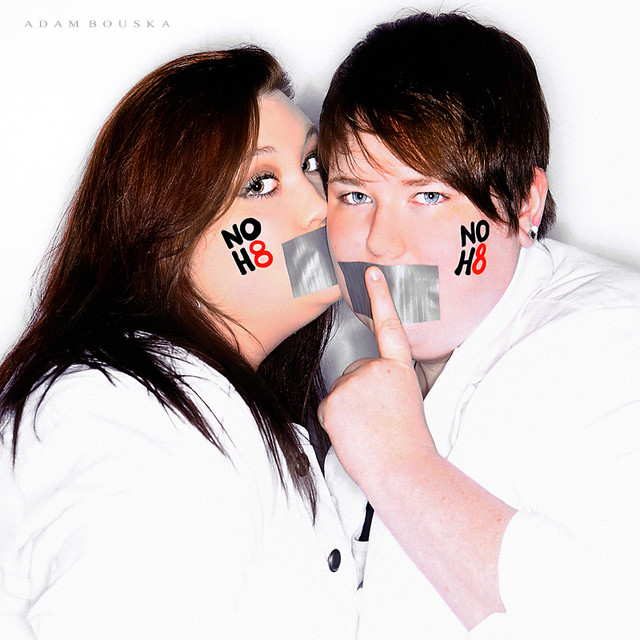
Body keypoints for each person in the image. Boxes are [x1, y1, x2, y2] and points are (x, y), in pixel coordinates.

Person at [0, 48, 358, 639]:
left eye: (312, 164)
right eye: (260, 184)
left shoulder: (205, 400)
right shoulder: (125, 415)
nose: (320, 207)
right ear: (164, 236)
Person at [317, 11, 640, 639]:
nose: (380, 242)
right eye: (355, 196)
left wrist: (400, 464)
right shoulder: (350, 347)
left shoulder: (612, 345)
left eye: (429, 196)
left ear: (524, 204)